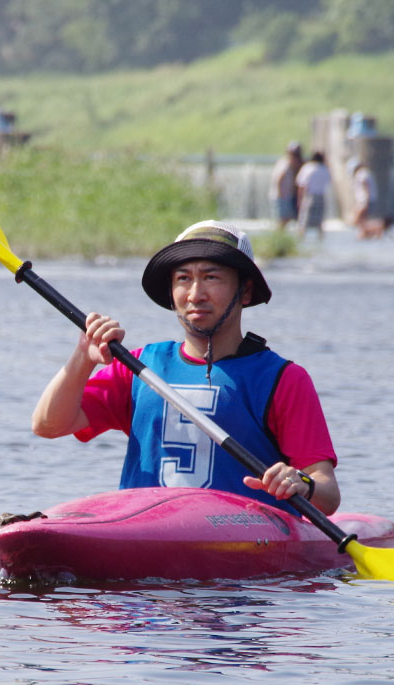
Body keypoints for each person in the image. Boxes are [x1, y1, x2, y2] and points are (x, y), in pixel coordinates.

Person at [31, 220, 341, 515]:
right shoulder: (140, 367)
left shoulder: (282, 379)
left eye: (211, 277)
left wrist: (302, 483)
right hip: (146, 532)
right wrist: (82, 359)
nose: (195, 294)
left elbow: (327, 493)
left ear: (244, 291)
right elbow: (48, 425)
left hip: (243, 544)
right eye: (183, 278)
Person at [347, 158, 388, 239]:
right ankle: (369, 234)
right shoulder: (366, 172)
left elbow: (366, 186)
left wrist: (365, 201)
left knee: (358, 221)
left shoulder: (361, 173)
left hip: (365, 201)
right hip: (367, 200)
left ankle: (381, 226)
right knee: (363, 222)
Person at [295, 151, 331, 240]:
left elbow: (302, 185)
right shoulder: (325, 169)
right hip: (321, 196)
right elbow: (328, 181)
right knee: (319, 223)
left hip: (309, 196)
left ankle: (301, 240)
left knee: (303, 222)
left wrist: (299, 199)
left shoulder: (308, 168)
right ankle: (321, 240)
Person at [269, 141, 303, 231]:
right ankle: (279, 237)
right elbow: (280, 179)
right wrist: (281, 194)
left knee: (285, 219)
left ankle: (281, 236)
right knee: (282, 220)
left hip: (283, 195)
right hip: (282, 196)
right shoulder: (286, 164)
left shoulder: (284, 162)